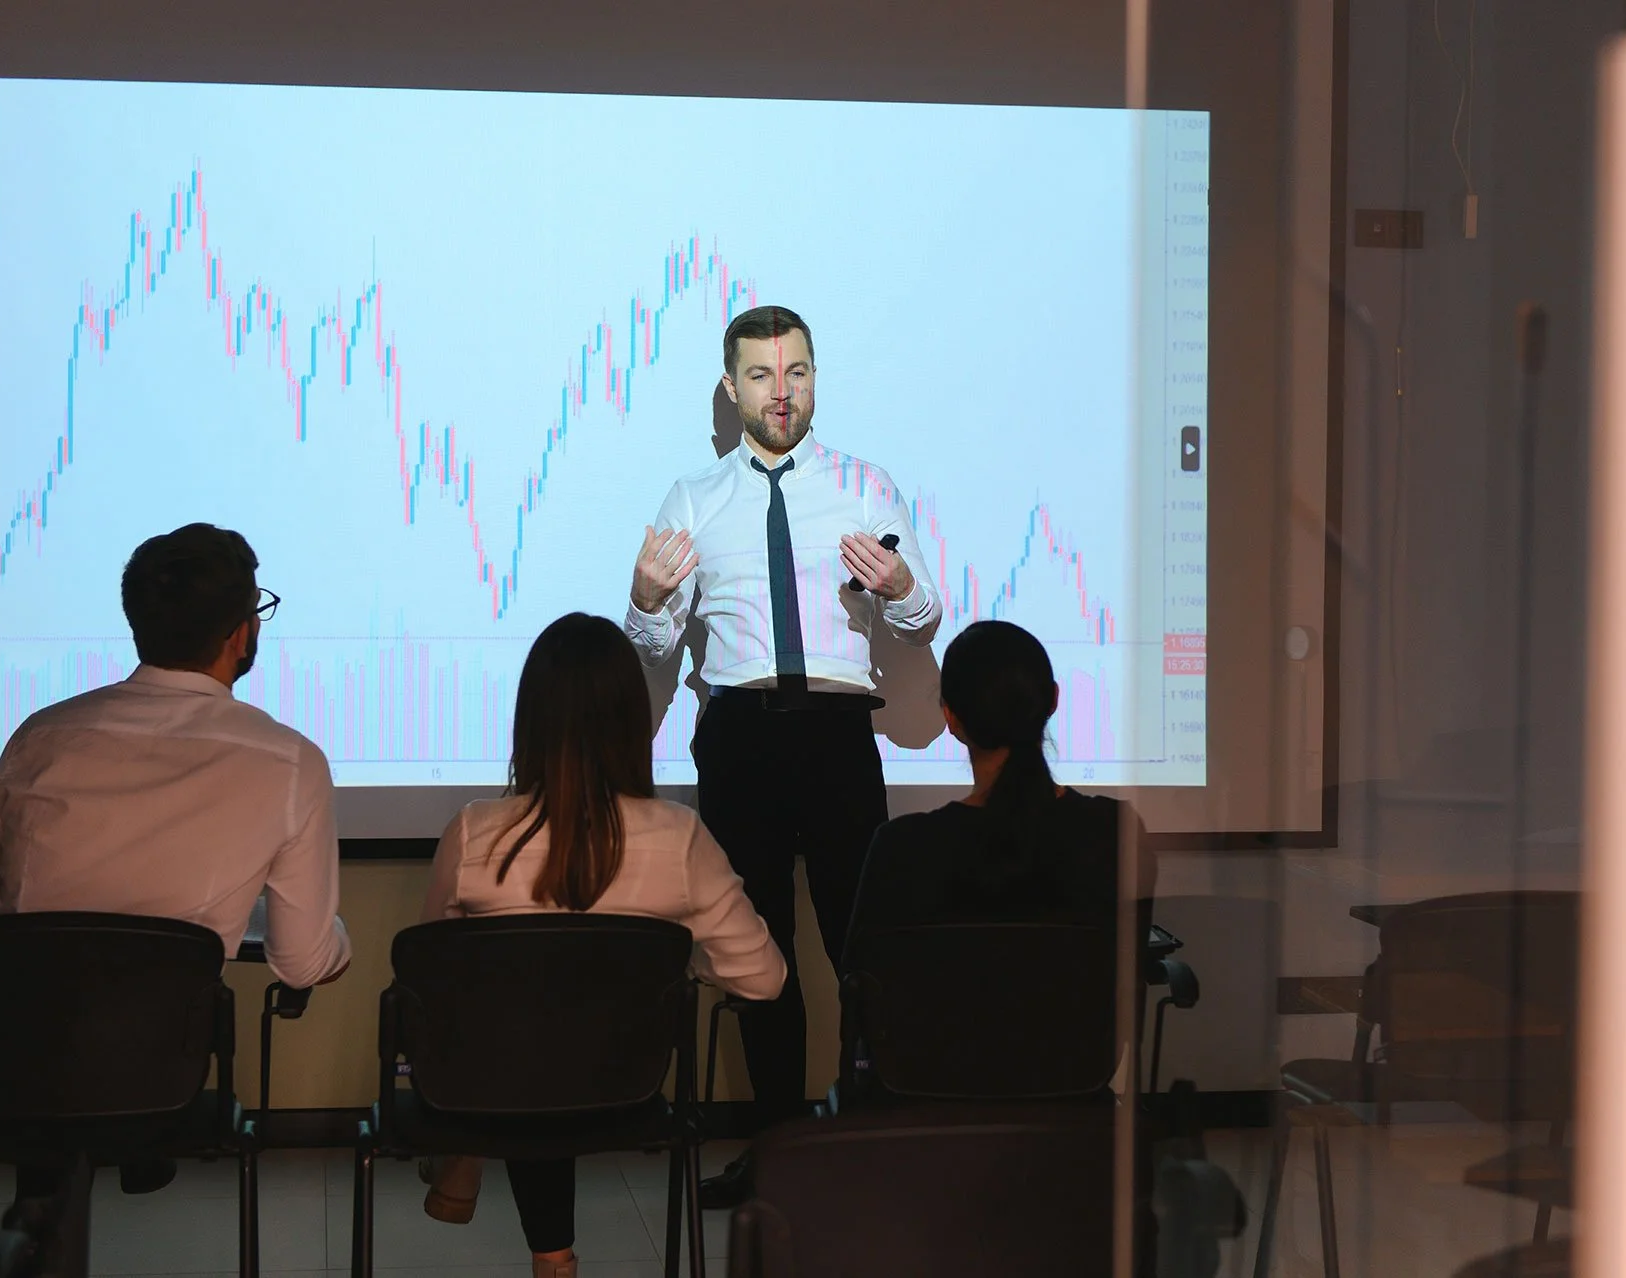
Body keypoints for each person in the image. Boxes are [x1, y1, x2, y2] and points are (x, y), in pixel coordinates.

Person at [0, 522, 352, 1257]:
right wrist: (340, 939)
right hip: (159, 1079)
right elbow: (301, 964)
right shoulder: (287, 762)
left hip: (13, 1066)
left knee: (49, 1026)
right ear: (241, 634)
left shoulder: (37, 738)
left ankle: (37, 1229)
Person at [624, 304, 940, 1206]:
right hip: (739, 738)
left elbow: (921, 623)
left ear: (813, 377)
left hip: (840, 737)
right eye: (761, 375)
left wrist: (903, 586)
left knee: (860, 951)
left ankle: (870, 1143)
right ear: (731, 389)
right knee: (755, 954)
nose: (781, 391)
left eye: (796, 372)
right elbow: (653, 649)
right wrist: (645, 599)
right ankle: (777, 1151)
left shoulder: (865, 485)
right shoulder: (693, 498)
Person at [418, 612, 786, 1278]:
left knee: (522, 1041)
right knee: (559, 1042)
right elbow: (763, 981)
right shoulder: (681, 838)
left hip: (498, 1092)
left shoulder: (473, 833)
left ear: (529, 718)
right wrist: (692, 960)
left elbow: (433, 981)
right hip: (628, 1091)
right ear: (631, 720)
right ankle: (546, 1247)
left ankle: (525, 1226)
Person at [846, 618, 1139, 949]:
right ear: (1054, 700)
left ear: (950, 717)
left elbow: (867, 982)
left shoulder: (901, 849)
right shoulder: (1117, 832)